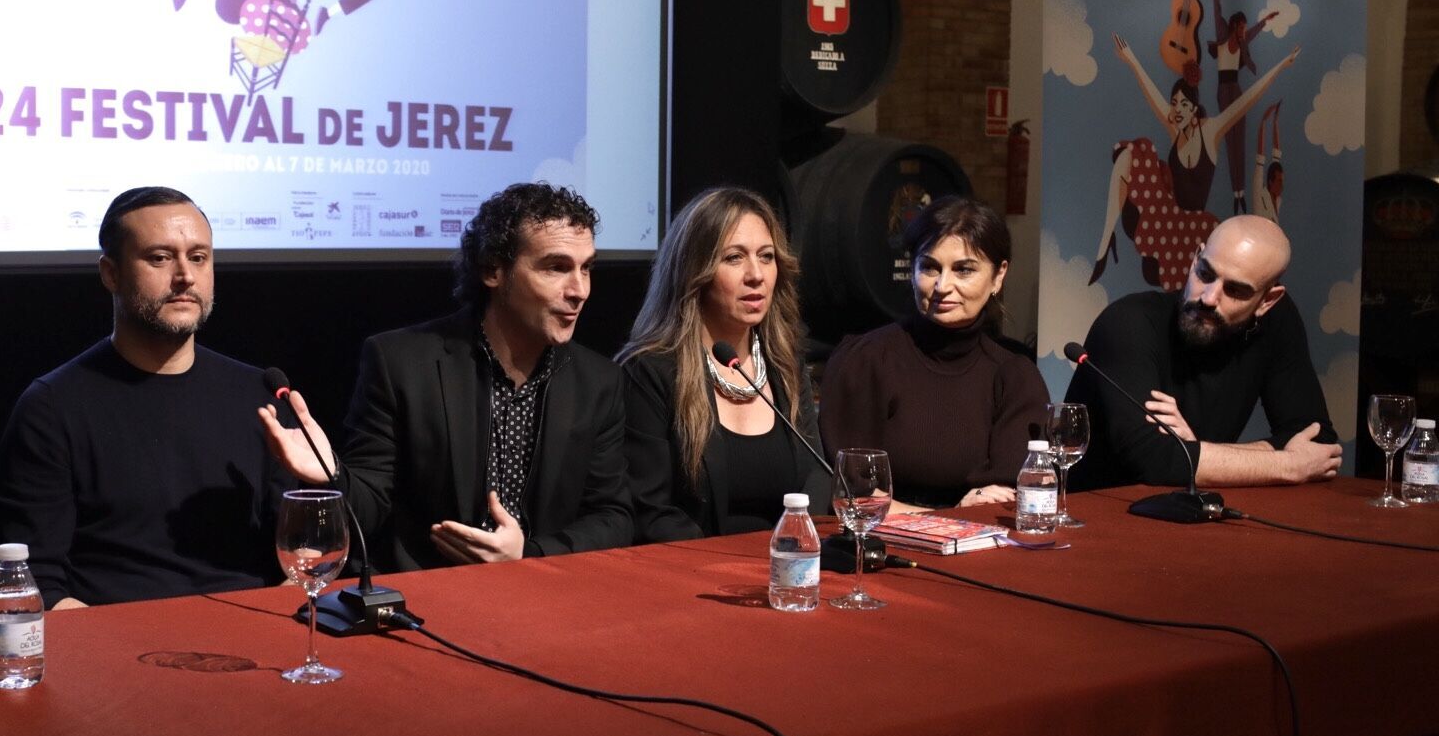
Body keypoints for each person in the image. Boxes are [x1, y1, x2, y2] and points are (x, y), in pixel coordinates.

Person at [258, 182, 632, 571]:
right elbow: (369, 510)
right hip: (429, 589)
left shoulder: (599, 381)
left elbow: (613, 516)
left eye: (586, 268)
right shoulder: (401, 363)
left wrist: (528, 555)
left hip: (543, 587)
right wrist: (331, 473)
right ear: (493, 270)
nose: (580, 290)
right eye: (556, 268)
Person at [0, 187, 293, 606]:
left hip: (251, 627)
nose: (185, 276)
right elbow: (36, 578)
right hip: (113, 635)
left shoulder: (260, 394)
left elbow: (302, 549)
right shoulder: (52, 407)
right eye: (160, 258)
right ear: (110, 273)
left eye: (198, 257)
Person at [616, 187, 832, 541]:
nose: (756, 274)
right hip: (691, 565)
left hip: (786, 562)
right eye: (734, 258)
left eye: (766, 256)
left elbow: (816, 477)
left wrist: (794, 549)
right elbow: (650, 512)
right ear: (694, 271)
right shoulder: (650, 371)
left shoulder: (784, 363)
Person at [1066, 214, 1342, 490]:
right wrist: (1288, 465)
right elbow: (1150, 457)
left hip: (1192, 507)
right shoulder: (1128, 322)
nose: (1209, 298)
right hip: (1099, 506)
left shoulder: (1276, 321)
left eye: (1234, 290)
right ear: (1195, 259)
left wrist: (1196, 449)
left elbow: (1317, 442)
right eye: (1205, 274)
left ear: (1267, 301)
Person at [820, 197, 1052, 511]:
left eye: (964, 270)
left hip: (985, 539)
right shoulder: (866, 361)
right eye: (929, 267)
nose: (943, 285)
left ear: (998, 276)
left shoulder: (1014, 376)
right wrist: (949, 518)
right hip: (878, 536)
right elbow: (852, 498)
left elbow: (1010, 497)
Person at [1090, 32, 1298, 292]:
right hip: (1168, 216)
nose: (1177, 110)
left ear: (1194, 108)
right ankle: (1106, 241)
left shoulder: (1210, 132)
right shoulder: (1175, 129)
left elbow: (1246, 102)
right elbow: (1151, 92)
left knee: (1191, 287)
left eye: (1183, 105)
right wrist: (1132, 60)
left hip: (1193, 227)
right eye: (1174, 103)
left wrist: (1281, 66)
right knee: (1130, 155)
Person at [1207, 0, 1278, 215]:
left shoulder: (1243, 41)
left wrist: (1266, 20)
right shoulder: (1223, 34)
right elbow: (1216, 5)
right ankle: (1235, 192)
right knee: (1230, 141)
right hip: (1222, 90)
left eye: (1245, 28)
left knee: (1241, 139)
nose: (1244, 31)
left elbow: (1255, 32)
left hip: (1235, 88)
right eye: (1242, 27)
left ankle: (1241, 193)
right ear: (1235, 26)